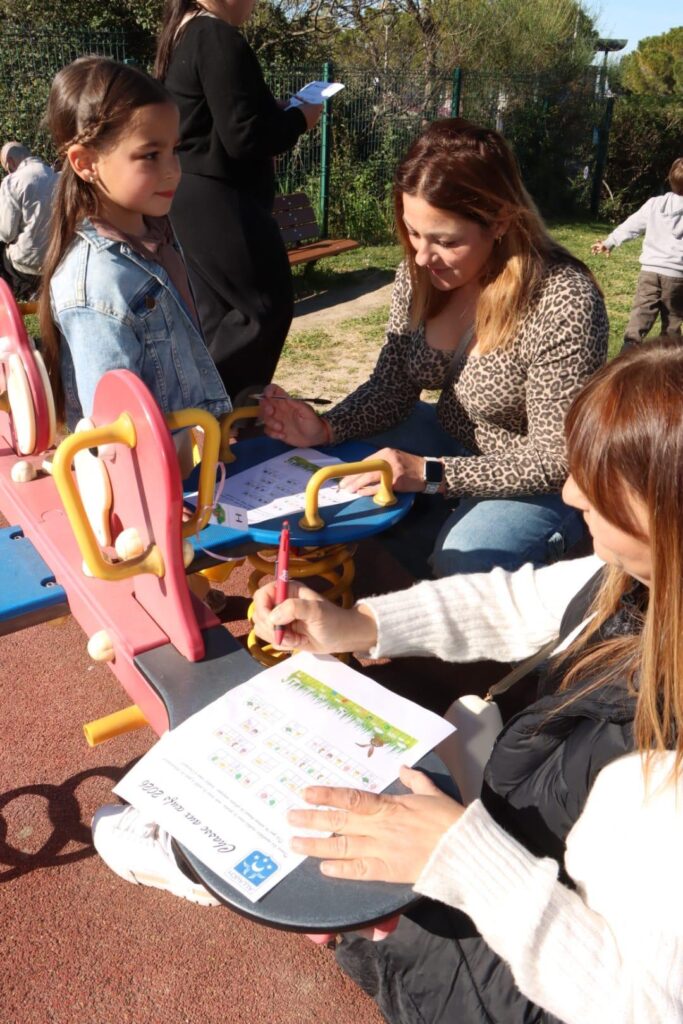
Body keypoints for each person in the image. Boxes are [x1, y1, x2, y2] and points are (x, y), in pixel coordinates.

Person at [249, 336, 683, 1024]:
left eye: (599, 482)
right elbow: (518, 602)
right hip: (534, 846)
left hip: (553, 977)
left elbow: (639, 1008)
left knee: (378, 913)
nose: (570, 492)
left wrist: (461, 858)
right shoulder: (635, 580)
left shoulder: (662, 792)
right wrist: (355, 625)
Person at [261, 118, 609, 579]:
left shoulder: (563, 298)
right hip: (447, 437)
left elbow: (555, 459)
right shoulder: (420, 271)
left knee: (464, 557)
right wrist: (326, 428)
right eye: (413, 232)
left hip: (539, 476)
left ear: (500, 221)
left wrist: (430, 474)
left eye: (446, 241)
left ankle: (554, 563)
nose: (423, 257)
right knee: (333, 467)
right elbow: (391, 388)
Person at [39, 57, 231, 435]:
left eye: (174, 150)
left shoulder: (157, 238)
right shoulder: (98, 281)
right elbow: (114, 439)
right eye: (150, 155)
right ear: (86, 163)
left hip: (197, 456)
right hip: (159, 470)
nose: (173, 170)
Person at [154, 0, 322, 405]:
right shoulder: (216, 35)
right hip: (221, 197)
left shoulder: (184, 33)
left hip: (192, 195)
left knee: (219, 316)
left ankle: (205, 416)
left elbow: (223, 118)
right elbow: (245, 137)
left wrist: (273, 112)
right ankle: (222, 412)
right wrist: (300, 119)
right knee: (262, 308)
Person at [592, 157, 683, 347]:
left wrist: (609, 242)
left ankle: (628, 354)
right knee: (672, 324)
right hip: (677, 276)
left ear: (669, 178)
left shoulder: (655, 204)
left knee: (639, 318)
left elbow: (631, 225)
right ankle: (670, 360)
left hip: (649, 272)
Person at [0, 141, 58, 300]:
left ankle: (21, 293)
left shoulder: (12, 182)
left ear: (10, 162)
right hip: (55, 259)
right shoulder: (57, 177)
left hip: (26, 264)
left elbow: (6, 234)